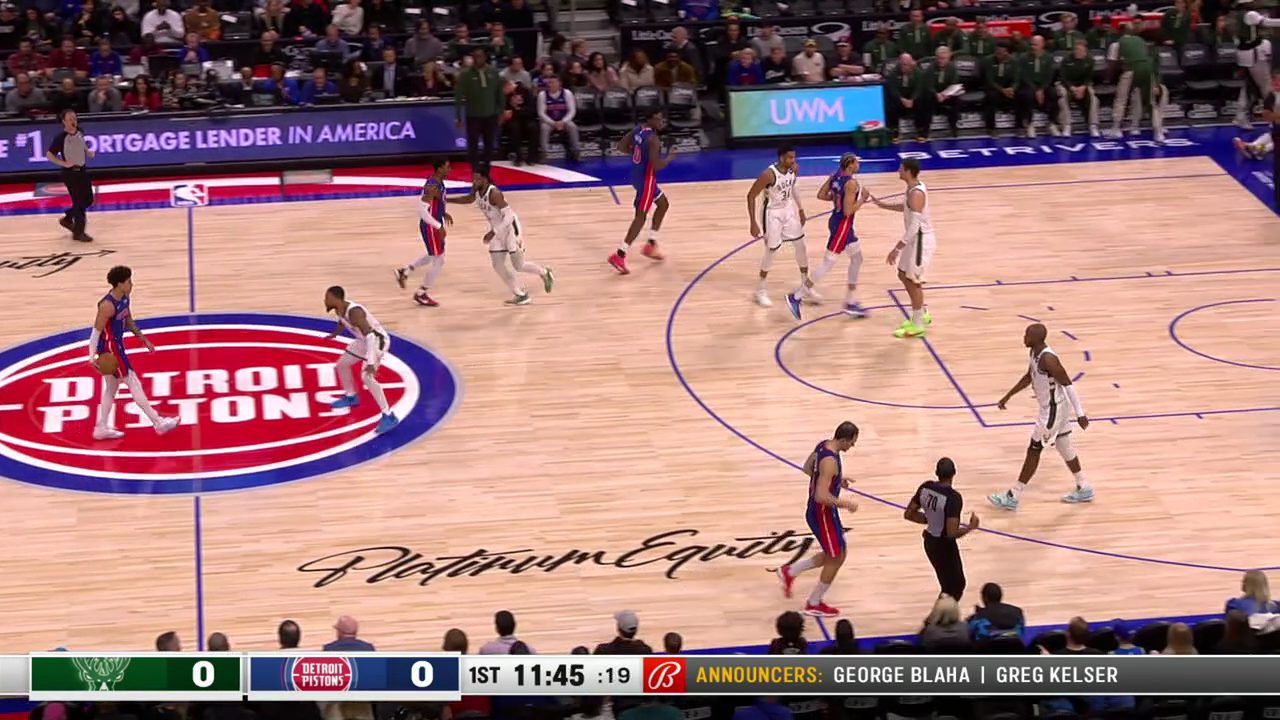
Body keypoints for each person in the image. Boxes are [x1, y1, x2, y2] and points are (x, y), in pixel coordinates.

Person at [989, 323, 1092, 510]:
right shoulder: (1034, 353)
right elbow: (1029, 377)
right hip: (1054, 408)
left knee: (1034, 450)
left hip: (1053, 410)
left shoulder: (1048, 359)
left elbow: (1068, 384)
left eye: (1027, 335)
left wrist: (1081, 414)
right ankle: (1084, 486)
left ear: (1036, 339)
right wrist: (1008, 395)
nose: (1024, 337)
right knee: (1063, 445)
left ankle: (1014, 495)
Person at [775, 421, 861, 618]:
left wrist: (836, 481)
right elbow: (821, 496)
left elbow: (808, 469)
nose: (852, 446)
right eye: (852, 442)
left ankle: (791, 571)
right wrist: (845, 503)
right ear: (843, 439)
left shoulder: (823, 445)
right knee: (837, 556)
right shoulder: (830, 461)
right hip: (822, 514)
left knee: (838, 553)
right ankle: (814, 603)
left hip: (822, 513)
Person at [89, 266, 180, 440]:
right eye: (129, 281)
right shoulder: (107, 305)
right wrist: (91, 355)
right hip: (110, 349)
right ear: (119, 284)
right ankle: (158, 422)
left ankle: (101, 427)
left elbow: (128, 320)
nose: (132, 284)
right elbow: (96, 331)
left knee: (111, 388)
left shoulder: (124, 297)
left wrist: (143, 339)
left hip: (117, 346)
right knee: (133, 382)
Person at [784, 153, 868, 320]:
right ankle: (796, 297)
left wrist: (838, 199)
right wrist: (862, 200)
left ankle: (850, 302)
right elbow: (848, 211)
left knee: (857, 259)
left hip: (838, 222)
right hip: (842, 226)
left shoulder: (835, 176)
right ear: (850, 164)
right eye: (856, 162)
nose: (858, 164)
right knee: (827, 264)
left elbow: (821, 195)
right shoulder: (851, 183)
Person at [452, 171, 555, 305]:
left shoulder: (494, 193)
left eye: (477, 179)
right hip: (497, 230)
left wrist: (493, 232)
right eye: (473, 179)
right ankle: (520, 294)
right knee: (498, 265)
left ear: (485, 179)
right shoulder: (477, 190)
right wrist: (446, 200)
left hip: (510, 228)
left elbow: (509, 216)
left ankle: (544, 272)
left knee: (518, 265)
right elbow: (468, 199)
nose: (474, 182)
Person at [872, 158, 935, 338]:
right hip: (915, 240)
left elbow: (914, 227)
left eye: (901, 168)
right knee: (902, 274)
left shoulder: (917, 193)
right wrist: (882, 205)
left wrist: (896, 248)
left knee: (913, 280)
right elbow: (906, 207)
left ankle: (918, 325)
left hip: (921, 240)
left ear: (908, 171)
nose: (898, 170)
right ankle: (922, 313)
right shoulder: (912, 190)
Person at [323, 286, 398, 435]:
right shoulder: (339, 309)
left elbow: (370, 336)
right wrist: (335, 333)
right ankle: (351, 397)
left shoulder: (355, 312)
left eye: (327, 298)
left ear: (336, 299)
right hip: (363, 341)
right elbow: (342, 322)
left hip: (377, 341)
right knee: (342, 365)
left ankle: (389, 416)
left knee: (367, 377)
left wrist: (370, 362)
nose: (325, 300)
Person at [608, 109, 675, 275]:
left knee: (663, 204)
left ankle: (651, 244)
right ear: (650, 120)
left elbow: (621, 146)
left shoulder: (638, 130)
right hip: (647, 181)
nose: (661, 122)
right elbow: (657, 166)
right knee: (640, 217)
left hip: (637, 176)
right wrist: (670, 158)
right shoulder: (653, 139)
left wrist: (639, 154)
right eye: (657, 119)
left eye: (661, 119)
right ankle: (620, 254)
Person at [904, 457, 978, 601]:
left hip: (929, 542)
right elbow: (951, 533)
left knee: (948, 586)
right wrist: (970, 527)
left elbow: (909, 514)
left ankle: (941, 613)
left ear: (936, 473)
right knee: (955, 587)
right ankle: (940, 614)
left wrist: (930, 519)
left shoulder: (925, 487)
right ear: (954, 473)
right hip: (944, 546)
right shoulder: (953, 498)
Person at [747, 145, 810, 308]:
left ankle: (805, 286)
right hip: (772, 213)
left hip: (788, 209)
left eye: (794, 157)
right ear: (781, 158)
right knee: (772, 250)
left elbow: (793, 187)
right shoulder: (768, 174)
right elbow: (751, 195)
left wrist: (801, 209)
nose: (793, 160)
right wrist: (753, 222)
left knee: (801, 246)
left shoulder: (794, 169)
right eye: (790, 158)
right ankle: (760, 290)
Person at [394, 160, 453, 307]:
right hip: (430, 225)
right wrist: (438, 226)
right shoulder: (432, 186)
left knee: (434, 255)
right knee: (439, 259)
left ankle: (405, 271)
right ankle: (421, 294)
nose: (450, 170)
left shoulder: (439, 182)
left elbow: (435, 204)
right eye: (447, 167)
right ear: (439, 169)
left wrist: (443, 213)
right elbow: (422, 211)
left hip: (434, 222)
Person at [1106, 23, 1166, 143]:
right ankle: (1158, 132)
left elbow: (1112, 64)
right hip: (1147, 69)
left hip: (1131, 69)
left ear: (1120, 32)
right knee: (1151, 101)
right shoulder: (1140, 41)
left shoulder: (1116, 44)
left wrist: (1108, 79)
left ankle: (1116, 128)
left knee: (1121, 99)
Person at [46, 109, 96, 243]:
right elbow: (49, 155)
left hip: (82, 170)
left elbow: (82, 143)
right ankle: (79, 233)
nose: (73, 121)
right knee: (79, 202)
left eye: (74, 118)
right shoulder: (60, 138)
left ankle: (68, 218)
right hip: (70, 174)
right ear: (64, 122)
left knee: (88, 199)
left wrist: (88, 152)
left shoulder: (80, 131)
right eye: (70, 119)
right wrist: (63, 163)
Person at [455, 47, 504, 174]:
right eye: (475, 57)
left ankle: (486, 170)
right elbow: (458, 96)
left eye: (480, 56)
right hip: (473, 115)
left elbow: (500, 93)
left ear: (485, 57)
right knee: (473, 144)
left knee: (489, 144)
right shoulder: (466, 75)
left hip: (491, 114)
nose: (478, 59)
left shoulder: (493, 72)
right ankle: (475, 171)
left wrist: (501, 112)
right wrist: (458, 116)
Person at [1057, 40, 1100, 137]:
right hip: (1067, 84)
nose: (1078, 52)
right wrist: (1072, 88)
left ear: (1085, 51)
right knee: (1063, 98)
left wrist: (1083, 87)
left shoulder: (1090, 60)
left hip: (1083, 85)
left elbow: (1089, 78)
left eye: (1081, 50)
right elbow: (1063, 77)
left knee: (1094, 98)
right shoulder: (1066, 60)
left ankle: (1093, 125)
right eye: (1076, 49)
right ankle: (1067, 125)